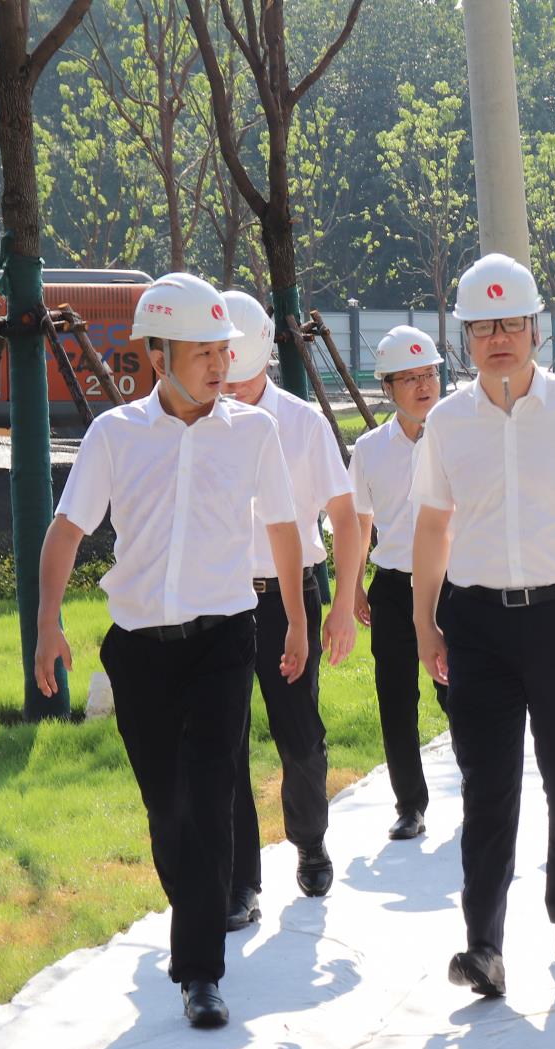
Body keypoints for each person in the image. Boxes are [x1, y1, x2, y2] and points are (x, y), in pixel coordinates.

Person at [33, 272, 306, 1029]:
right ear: (159, 356)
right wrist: (48, 623)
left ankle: (200, 973)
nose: (221, 365)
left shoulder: (255, 432)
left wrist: (296, 620)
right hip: (140, 651)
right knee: (168, 808)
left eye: (224, 350)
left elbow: (284, 527)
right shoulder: (115, 435)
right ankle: (195, 913)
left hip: (225, 639)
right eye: (202, 353)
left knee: (213, 798)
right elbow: (67, 530)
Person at [411, 252, 555, 999]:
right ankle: (482, 943)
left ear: (536, 330)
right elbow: (431, 525)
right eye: (482, 328)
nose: (497, 339)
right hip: (477, 622)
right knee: (486, 785)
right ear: (465, 338)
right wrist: (424, 622)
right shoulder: (447, 422)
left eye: (510, 324)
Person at [216, 290, 360, 932]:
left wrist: (342, 604)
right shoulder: (199, 423)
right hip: (219, 598)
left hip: (287, 596)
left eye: (237, 374)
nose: (227, 385)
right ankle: (241, 881)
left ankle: (309, 841)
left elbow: (345, 518)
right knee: (224, 742)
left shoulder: (302, 424)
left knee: (298, 733)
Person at [350, 326, 450, 842]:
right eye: (409, 378)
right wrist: (352, 585)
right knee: (395, 697)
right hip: (392, 587)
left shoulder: (459, 436)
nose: (423, 385)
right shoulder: (369, 450)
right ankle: (410, 804)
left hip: (455, 585)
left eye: (429, 373)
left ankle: (482, 783)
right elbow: (358, 522)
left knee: (461, 692)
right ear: (387, 387)